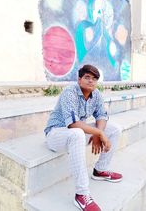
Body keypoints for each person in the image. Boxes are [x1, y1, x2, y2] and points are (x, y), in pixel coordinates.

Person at [44, 64, 122, 211]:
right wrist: (98, 133)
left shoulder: (96, 94)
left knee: (115, 129)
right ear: (79, 80)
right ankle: (82, 194)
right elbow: (73, 124)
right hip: (56, 134)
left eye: (94, 78)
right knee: (78, 132)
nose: (91, 81)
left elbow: (102, 116)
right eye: (87, 77)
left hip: (75, 134)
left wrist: (99, 131)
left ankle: (100, 170)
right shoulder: (70, 92)